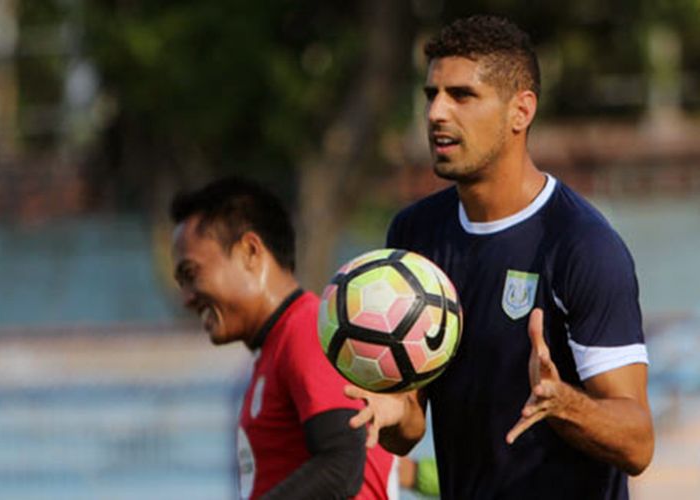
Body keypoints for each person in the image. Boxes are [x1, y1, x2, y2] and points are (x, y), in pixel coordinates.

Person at [346, 15, 654, 499]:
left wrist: (564, 403)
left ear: (521, 111)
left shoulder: (582, 245)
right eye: (432, 95)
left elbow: (638, 442)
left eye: (462, 96)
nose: (436, 114)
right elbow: (409, 426)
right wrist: (388, 410)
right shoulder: (414, 234)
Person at [170, 178, 396, 499]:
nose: (187, 298)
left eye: (191, 274)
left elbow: (342, 464)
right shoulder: (279, 344)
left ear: (250, 251)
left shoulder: (307, 329)